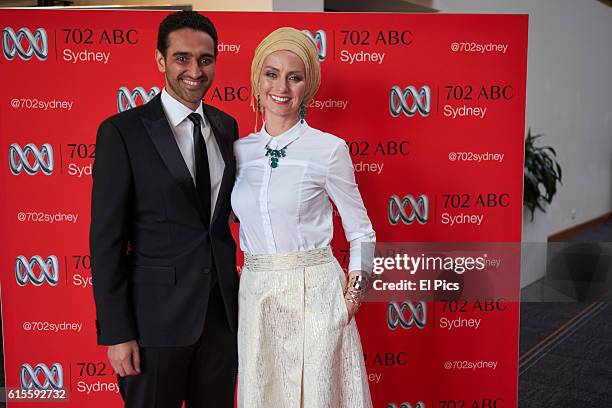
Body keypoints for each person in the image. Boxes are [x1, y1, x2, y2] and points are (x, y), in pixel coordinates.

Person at [90, 11, 238, 408]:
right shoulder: (122, 132)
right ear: (161, 61)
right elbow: (106, 241)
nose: (195, 70)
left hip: (221, 320)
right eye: (182, 58)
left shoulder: (227, 127)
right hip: (153, 325)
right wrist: (118, 333)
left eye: (205, 59)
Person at [231, 27, 375, 408]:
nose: (282, 86)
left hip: (317, 293)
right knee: (263, 394)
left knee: (317, 397)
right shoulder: (238, 150)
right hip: (257, 294)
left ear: (307, 86)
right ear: (257, 79)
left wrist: (351, 301)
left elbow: (362, 232)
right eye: (272, 74)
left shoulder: (328, 150)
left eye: (294, 77)